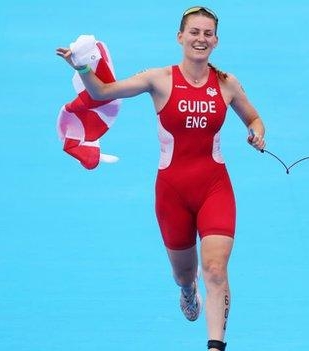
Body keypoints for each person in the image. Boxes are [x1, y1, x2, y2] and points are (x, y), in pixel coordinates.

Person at [56, 6, 265, 351]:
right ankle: (187, 290)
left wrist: (257, 133)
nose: (201, 39)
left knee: (214, 269)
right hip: (172, 193)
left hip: (215, 188)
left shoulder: (227, 83)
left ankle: (215, 345)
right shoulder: (158, 79)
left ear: (216, 41)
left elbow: (254, 118)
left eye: (208, 33)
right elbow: (103, 93)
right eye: (194, 32)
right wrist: (81, 66)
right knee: (186, 274)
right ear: (180, 37)